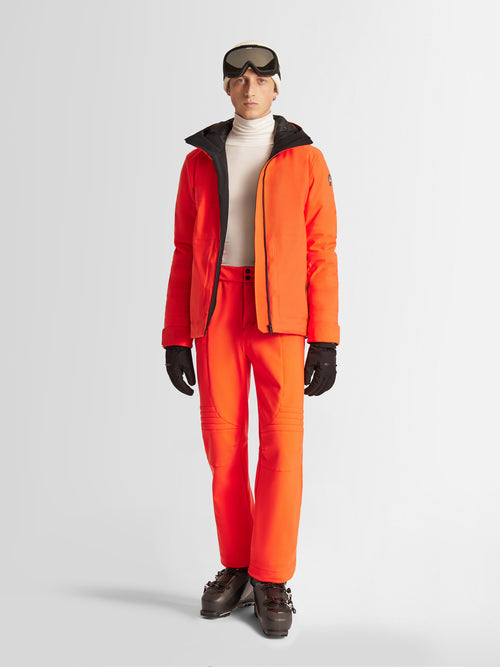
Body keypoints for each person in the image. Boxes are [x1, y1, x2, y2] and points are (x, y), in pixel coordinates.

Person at [161, 41, 339, 638]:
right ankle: (237, 565)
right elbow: (184, 251)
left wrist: (325, 339)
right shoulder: (198, 162)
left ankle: (271, 576)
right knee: (224, 446)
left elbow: (320, 252)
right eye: (238, 79)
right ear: (226, 88)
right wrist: (175, 336)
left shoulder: (305, 159)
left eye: (261, 78)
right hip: (214, 312)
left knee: (282, 447)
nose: (250, 87)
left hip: (279, 315)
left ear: (277, 86)